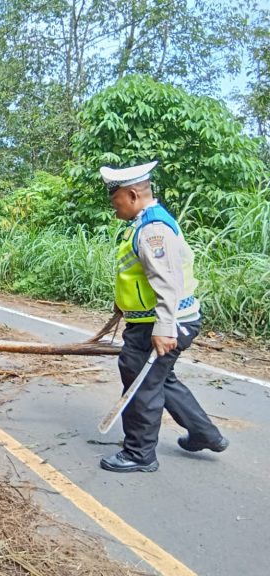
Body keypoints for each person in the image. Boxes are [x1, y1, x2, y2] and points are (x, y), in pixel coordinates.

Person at [98, 161, 228, 473]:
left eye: (114, 199)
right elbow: (139, 276)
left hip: (163, 322)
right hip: (158, 318)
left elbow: (167, 281)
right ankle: (204, 433)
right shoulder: (143, 223)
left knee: (140, 382)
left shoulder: (153, 229)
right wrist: (123, 305)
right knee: (158, 377)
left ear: (131, 195)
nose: (113, 207)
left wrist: (165, 328)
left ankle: (139, 454)